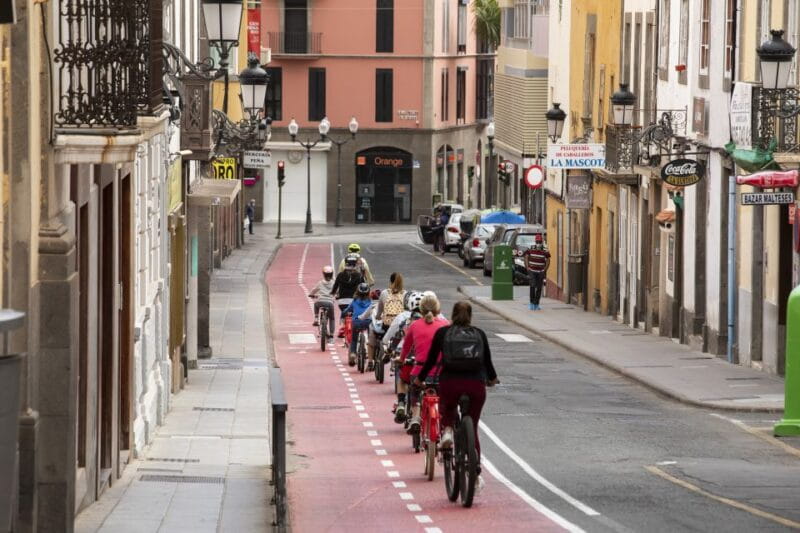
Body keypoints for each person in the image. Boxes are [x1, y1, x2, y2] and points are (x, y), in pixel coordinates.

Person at [415, 301, 498, 496]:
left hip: (450, 383)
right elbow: (487, 362)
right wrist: (493, 379)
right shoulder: (479, 334)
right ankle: (475, 476)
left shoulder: (443, 333)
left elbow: (431, 360)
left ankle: (448, 430)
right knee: (473, 426)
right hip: (475, 385)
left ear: (452, 315)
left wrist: (420, 379)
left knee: (449, 408)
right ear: (470, 316)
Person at [400, 292, 449, 434]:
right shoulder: (445, 325)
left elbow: (406, 347)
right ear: (437, 309)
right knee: (444, 398)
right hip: (440, 373)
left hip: (420, 372)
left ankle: (415, 416)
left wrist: (401, 360)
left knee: (414, 391)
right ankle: (446, 426)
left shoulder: (414, 325)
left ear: (421, 309)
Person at [384, 291, 424, 423]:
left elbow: (396, 338)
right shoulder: (431, 322)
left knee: (402, 380)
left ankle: (401, 403)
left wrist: (390, 350)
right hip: (426, 363)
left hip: (409, 360)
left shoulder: (406, 323)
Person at [362, 273, 406, 371]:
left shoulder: (385, 293)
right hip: (401, 326)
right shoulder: (405, 294)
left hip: (387, 325)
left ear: (390, 281)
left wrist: (378, 317)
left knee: (373, 332)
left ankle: (370, 361)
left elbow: (380, 311)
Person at [332, 256, 365, 340]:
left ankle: (343, 327)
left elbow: (335, 288)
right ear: (355, 265)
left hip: (342, 302)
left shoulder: (340, 275)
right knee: (355, 314)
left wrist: (333, 294)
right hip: (354, 301)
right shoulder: (359, 276)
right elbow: (363, 287)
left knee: (344, 312)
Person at [342, 283, 373, 366]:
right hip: (368, 321)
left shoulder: (355, 301)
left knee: (354, 339)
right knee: (371, 337)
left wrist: (343, 314)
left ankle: (353, 353)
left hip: (356, 322)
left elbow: (347, 310)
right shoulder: (370, 301)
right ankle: (370, 351)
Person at [308, 266, 336, 341]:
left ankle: (316, 318)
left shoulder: (320, 283)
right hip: (330, 303)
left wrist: (311, 294)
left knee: (315, 304)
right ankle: (331, 335)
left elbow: (314, 290)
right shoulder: (334, 283)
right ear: (332, 274)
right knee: (332, 318)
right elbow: (337, 292)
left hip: (320, 301)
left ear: (323, 274)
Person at [523, 235, 550, 310]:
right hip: (532, 270)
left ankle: (536, 304)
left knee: (539, 288)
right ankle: (531, 303)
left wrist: (545, 269)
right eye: (537, 242)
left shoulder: (545, 250)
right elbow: (526, 257)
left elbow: (548, 260)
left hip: (540, 271)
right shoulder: (531, 248)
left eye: (540, 242)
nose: (538, 243)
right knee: (532, 285)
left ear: (542, 242)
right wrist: (527, 267)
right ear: (535, 242)